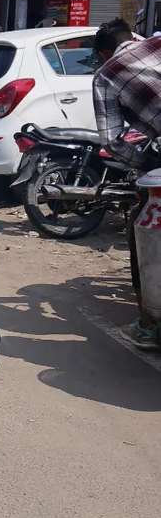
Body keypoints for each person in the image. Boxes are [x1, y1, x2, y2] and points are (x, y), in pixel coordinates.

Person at [93, 18, 161, 350]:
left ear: (104, 52)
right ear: (132, 36)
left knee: (142, 226)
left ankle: (150, 325)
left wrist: (142, 161)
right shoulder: (157, 43)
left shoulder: (105, 74)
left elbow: (111, 140)